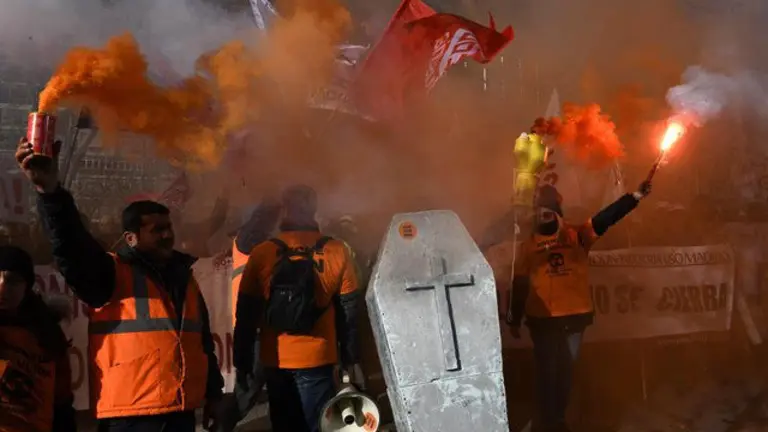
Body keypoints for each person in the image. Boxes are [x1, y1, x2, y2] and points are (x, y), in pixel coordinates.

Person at [15, 138, 224, 432]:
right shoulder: (111, 273)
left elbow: (202, 343)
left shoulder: (184, 277)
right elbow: (72, 247)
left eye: (169, 228)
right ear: (131, 238)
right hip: (130, 416)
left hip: (181, 412)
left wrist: (213, 395)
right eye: (157, 230)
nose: (167, 236)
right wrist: (50, 193)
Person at [507, 182, 651, 432]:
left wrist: (634, 197)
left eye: (549, 210)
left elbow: (607, 217)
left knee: (565, 371)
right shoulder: (527, 246)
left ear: (557, 212)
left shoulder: (577, 235)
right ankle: (546, 421)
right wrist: (515, 317)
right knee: (546, 373)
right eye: (540, 210)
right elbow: (519, 283)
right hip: (543, 321)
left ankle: (557, 419)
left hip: (574, 318)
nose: (544, 215)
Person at [234, 185, 362, 432]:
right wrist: (350, 360)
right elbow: (349, 313)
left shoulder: (263, 252)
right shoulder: (336, 251)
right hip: (318, 359)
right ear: (314, 209)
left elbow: (246, 314)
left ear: (285, 209)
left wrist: (242, 362)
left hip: (276, 359)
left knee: (285, 426)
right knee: (319, 426)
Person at [219, 199, 281, 432]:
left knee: (264, 385)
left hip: (263, 326)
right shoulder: (248, 240)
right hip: (253, 327)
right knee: (249, 385)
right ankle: (223, 425)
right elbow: (258, 223)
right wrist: (275, 201)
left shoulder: (260, 245)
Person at [0, 245, 76, 432]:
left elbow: (61, 399)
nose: (2, 287)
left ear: (27, 287)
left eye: (12, 281)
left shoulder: (47, 332)